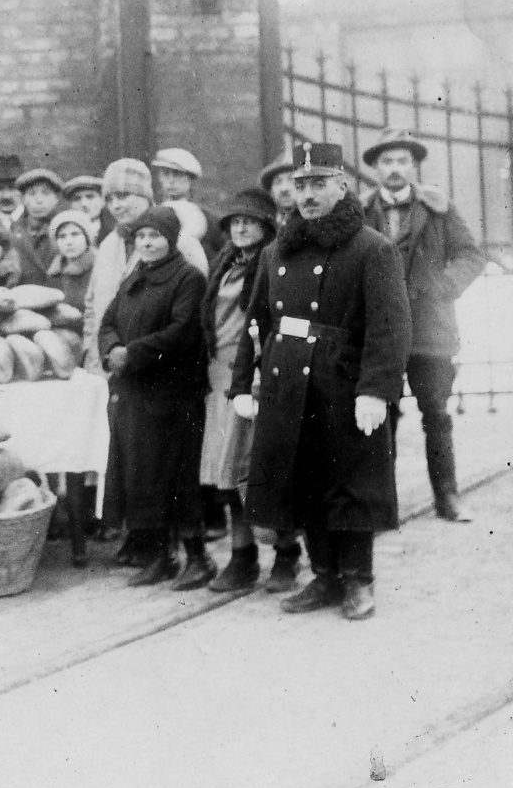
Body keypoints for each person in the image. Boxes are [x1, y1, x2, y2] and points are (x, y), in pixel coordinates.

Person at [228, 142, 411, 621]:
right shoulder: (276, 251)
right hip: (287, 378)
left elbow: (389, 328)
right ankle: (324, 574)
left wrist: (376, 390)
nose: (306, 194)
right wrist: (241, 383)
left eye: (318, 184)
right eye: (301, 184)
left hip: (344, 381)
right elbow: (256, 320)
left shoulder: (372, 247)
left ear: (342, 186)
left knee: (350, 481)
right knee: (302, 478)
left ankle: (358, 579)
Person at [360, 129, 488, 522]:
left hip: (430, 330)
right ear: (376, 168)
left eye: (402, 161)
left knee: (436, 413)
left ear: (414, 166)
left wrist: (441, 286)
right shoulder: (361, 212)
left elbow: (470, 255)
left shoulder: (438, 208)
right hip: (379, 334)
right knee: (381, 416)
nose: (395, 169)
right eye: (387, 162)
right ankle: (384, 502)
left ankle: (447, 497)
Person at [98, 206, 213, 589]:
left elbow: (182, 333)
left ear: (171, 239)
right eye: (141, 237)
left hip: (173, 396)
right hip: (135, 393)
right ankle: (161, 555)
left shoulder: (188, 279)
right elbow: (108, 321)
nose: (146, 243)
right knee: (144, 477)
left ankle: (198, 559)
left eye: (155, 236)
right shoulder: (136, 276)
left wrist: (131, 354)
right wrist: (112, 347)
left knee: (178, 477)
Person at [198, 188, 283, 593]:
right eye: (235, 221)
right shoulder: (224, 263)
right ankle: (242, 555)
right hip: (221, 379)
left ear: (267, 226)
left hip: (257, 375)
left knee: (264, 469)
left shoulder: (276, 260)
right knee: (227, 473)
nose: (241, 227)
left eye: (250, 220)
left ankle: (286, 555)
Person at [83, 159, 210, 375]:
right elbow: (92, 305)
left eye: (123, 196)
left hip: (162, 370)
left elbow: (196, 313)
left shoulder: (181, 242)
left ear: (145, 196)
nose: (116, 205)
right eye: (109, 199)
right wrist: (91, 351)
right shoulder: (107, 245)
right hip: (109, 368)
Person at [151, 148, 227, 259]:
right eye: (166, 174)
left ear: (190, 179)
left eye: (177, 174)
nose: (171, 180)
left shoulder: (208, 218)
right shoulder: (151, 215)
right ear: (159, 178)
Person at [10, 169, 69, 286]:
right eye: (32, 194)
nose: (39, 200)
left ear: (56, 198)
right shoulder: (14, 230)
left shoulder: (66, 229)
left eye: (46, 193)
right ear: (23, 199)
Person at [46, 209, 97, 311]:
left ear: (87, 238)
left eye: (75, 234)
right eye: (62, 236)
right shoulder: (54, 274)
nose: (69, 242)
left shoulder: (100, 267)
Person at [64, 175, 116, 243]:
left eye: (90, 197)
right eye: (77, 198)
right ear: (70, 205)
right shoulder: (63, 236)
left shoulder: (114, 231)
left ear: (103, 201)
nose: (84, 204)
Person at [259, 152, 297, 226]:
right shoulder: (267, 226)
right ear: (271, 191)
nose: (284, 188)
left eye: (291, 180)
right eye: (278, 182)